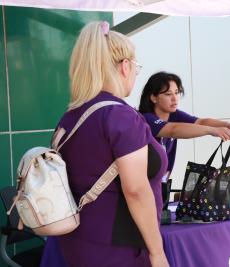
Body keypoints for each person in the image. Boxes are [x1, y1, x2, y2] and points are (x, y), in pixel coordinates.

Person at [52, 21, 169, 267]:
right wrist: (157, 253)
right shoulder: (121, 116)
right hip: (121, 249)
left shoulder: (71, 115)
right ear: (125, 66)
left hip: (77, 244)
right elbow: (136, 190)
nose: (136, 73)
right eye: (136, 66)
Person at [139, 71, 230, 178]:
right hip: (142, 184)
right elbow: (172, 130)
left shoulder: (174, 115)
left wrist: (228, 126)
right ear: (153, 98)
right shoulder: (146, 119)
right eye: (168, 94)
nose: (175, 98)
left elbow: (201, 122)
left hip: (161, 182)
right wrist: (212, 131)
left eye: (177, 92)